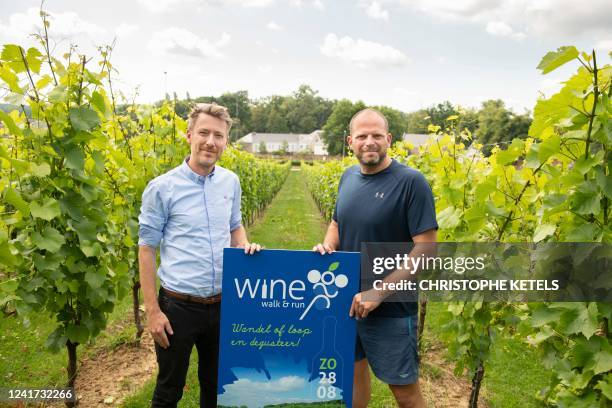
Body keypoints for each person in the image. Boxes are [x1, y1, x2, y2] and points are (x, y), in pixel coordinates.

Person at [138, 102, 261, 408]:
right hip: (178, 306)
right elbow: (146, 248)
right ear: (189, 135)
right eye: (203, 133)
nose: (210, 141)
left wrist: (244, 244)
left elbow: (235, 226)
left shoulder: (230, 182)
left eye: (218, 135)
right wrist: (152, 311)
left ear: (226, 142)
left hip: (222, 305)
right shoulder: (162, 188)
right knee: (169, 389)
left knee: (216, 385)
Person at [313, 108, 438, 408]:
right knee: (354, 376)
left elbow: (426, 249)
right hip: (346, 300)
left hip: (391, 308)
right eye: (362, 136)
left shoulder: (411, 182)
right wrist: (328, 246)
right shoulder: (348, 178)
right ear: (350, 141)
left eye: (377, 135)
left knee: (405, 392)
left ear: (389, 139)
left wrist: (379, 291)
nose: (369, 142)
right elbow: (337, 223)